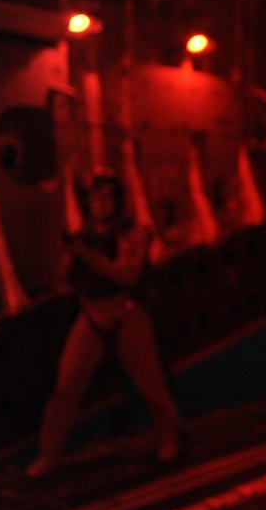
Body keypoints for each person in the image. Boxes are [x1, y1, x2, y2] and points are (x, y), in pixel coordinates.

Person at [27, 171, 181, 477]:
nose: (101, 203)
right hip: (91, 314)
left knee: (151, 383)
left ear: (118, 201)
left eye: (108, 197)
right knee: (67, 384)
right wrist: (71, 256)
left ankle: (169, 438)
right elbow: (65, 277)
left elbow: (127, 275)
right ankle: (51, 451)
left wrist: (86, 254)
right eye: (96, 198)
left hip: (126, 312)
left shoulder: (133, 233)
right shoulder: (84, 234)